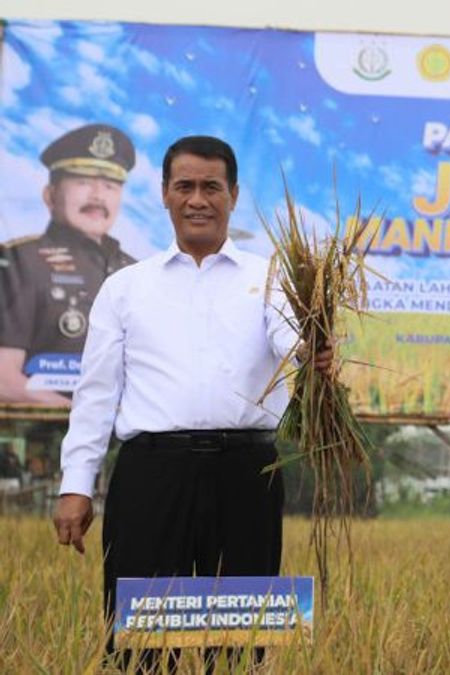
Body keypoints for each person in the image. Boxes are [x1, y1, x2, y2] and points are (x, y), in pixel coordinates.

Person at [51, 135, 332, 668]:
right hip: (151, 475)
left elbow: (291, 340)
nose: (197, 199)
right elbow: (95, 396)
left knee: (239, 642)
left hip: (248, 473)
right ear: (164, 194)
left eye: (211, 187)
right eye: (185, 186)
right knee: (142, 643)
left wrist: (312, 352)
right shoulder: (125, 287)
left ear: (233, 195)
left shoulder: (270, 280)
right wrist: (75, 487)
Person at [0, 123, 138, 405]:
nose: (98, 196)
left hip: (133, 441)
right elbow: (4, 378)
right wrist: (85, 417)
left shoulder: (136, 271)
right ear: (50, 196)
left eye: (110, 186)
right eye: (83, 181)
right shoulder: (20, 261)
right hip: (48, 439)